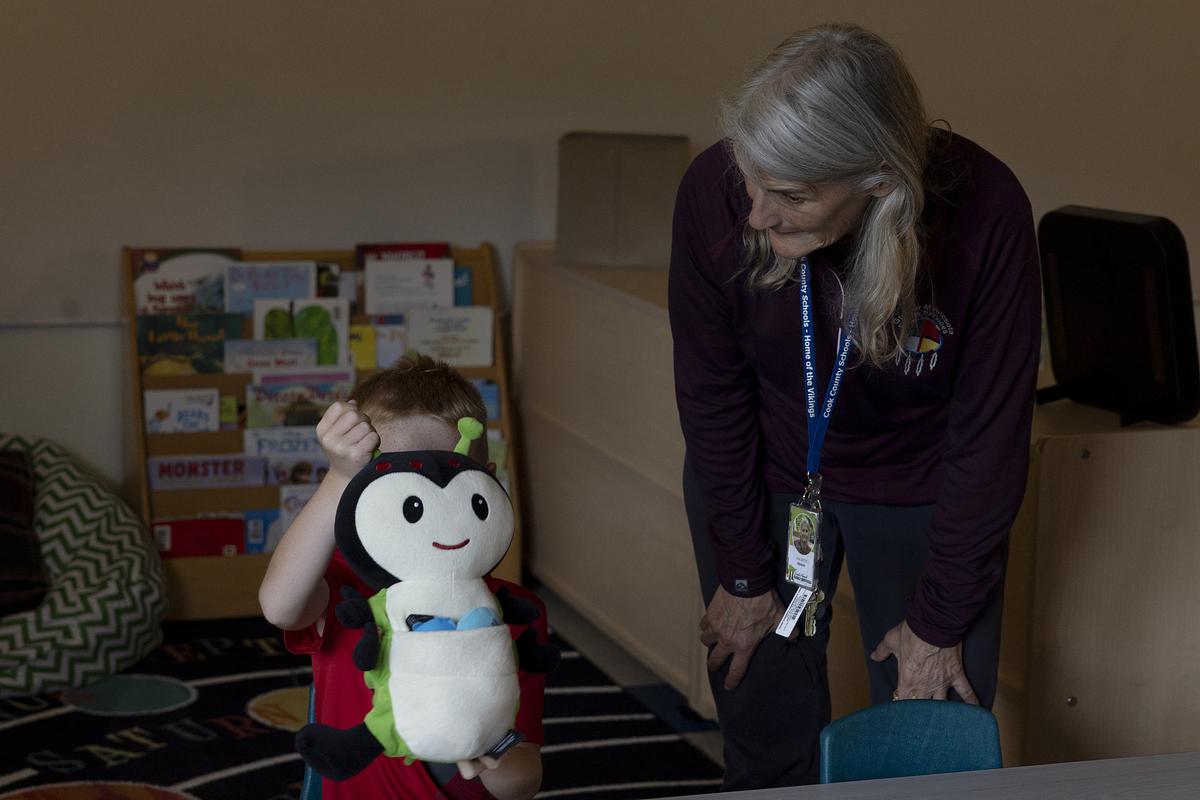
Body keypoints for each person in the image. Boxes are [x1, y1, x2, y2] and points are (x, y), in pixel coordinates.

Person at [669, 23, 1040, 788]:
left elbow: (990, 438)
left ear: (880, 181)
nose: (757, 215)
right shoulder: (714, 191)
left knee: (925, 740)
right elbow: (711, 391)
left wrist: (940, 620)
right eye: (752, 179)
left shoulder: (986, 211)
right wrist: (744, 573)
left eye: (792, 196)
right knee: (765, 714)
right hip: (768, 474)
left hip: (921, 488)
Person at [260, 354, 546, 800]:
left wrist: (489, 740)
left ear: (487, 487)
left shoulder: (514, 611)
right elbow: (280, 606)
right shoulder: (347, 590)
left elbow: (521, 783)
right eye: (396, 488)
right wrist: (339, 478)